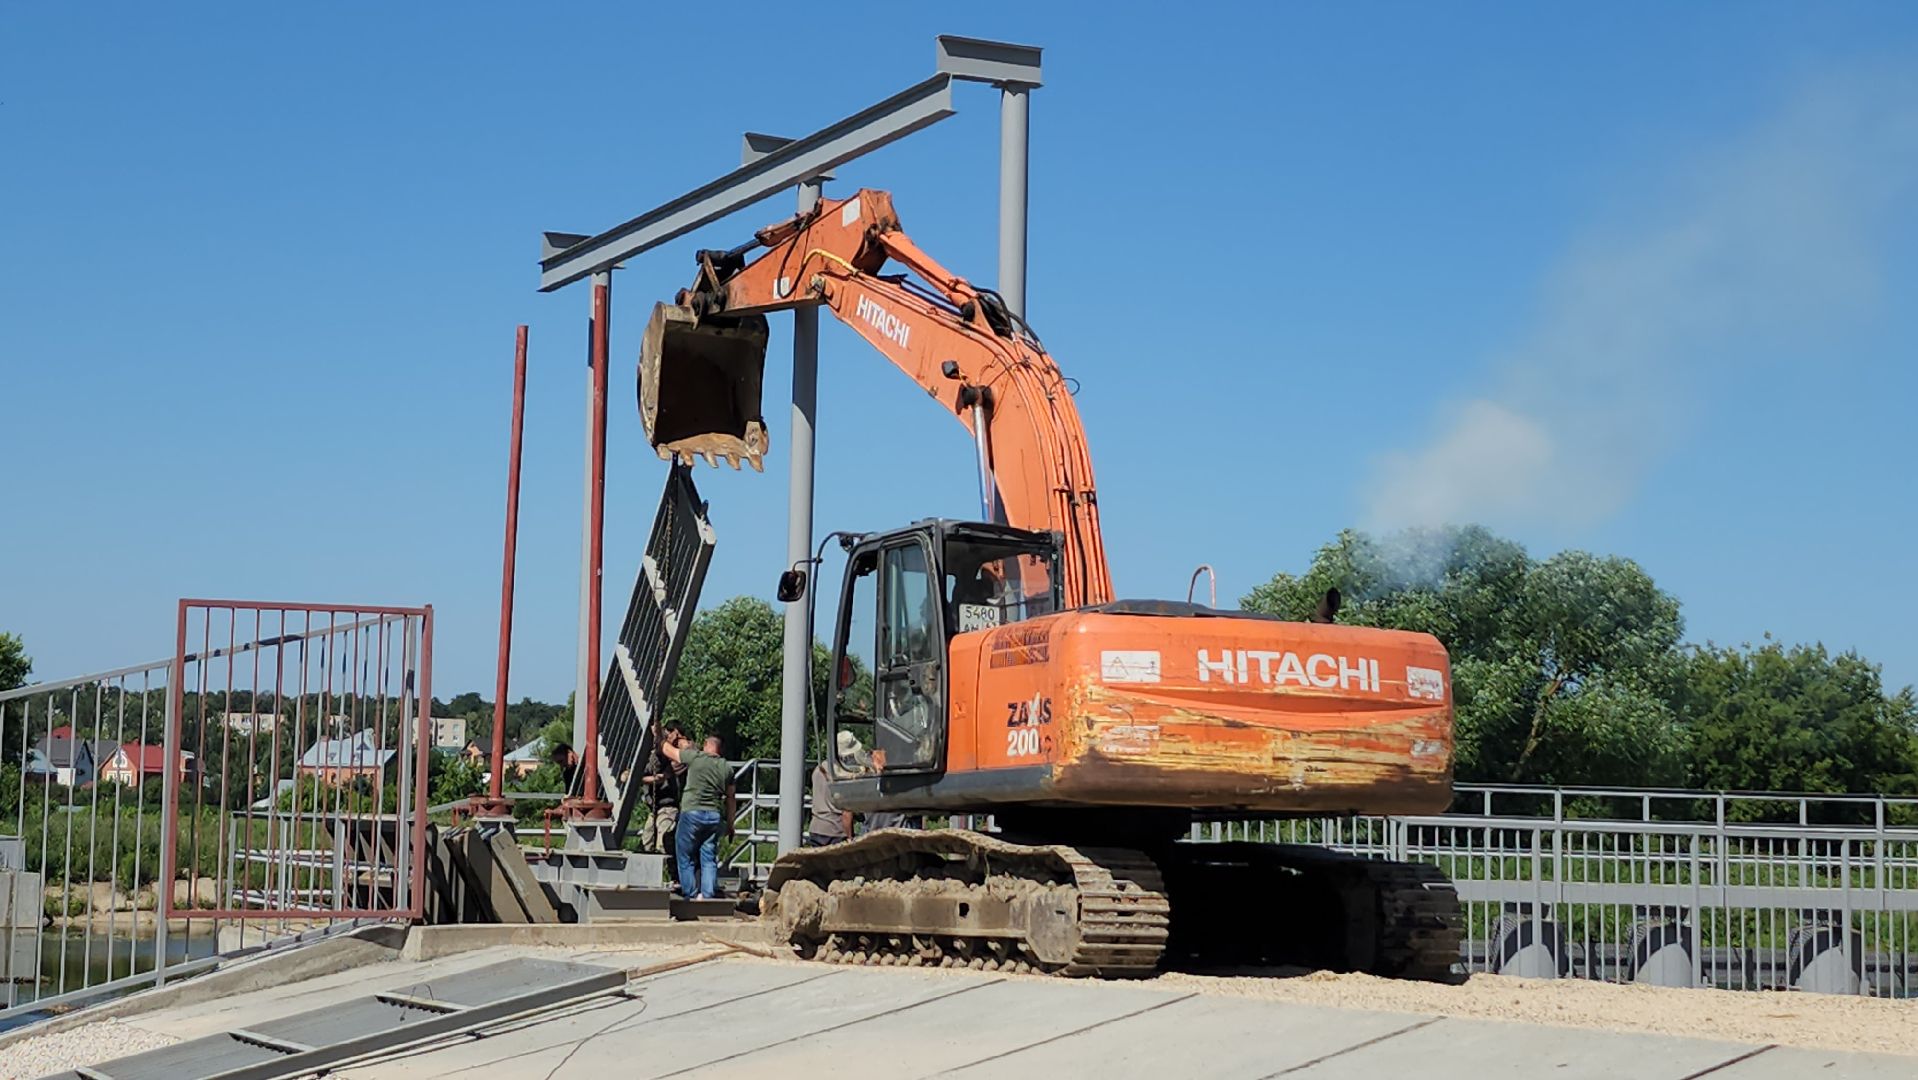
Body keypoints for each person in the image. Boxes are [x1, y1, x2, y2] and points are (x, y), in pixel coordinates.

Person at [657, 730, 735, 899]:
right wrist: (730, 824)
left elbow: (668, 750)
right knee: (709, 858)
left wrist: (658, 736)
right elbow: (731, 799)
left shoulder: (696, 757)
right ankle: (708, 895)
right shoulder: (727, 768)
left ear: (706, 745)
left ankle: (690, 894)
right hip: (714, 816)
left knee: (685, 856)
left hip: (692, 813)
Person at [638, 725, 687, 857]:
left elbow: (662, 776)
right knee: (646, 842)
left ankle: (668, 868)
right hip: (655, 808)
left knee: (663, 843)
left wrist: (639, 779)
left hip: (668, 806)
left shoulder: (677, 757)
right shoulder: (653, 757)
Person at [806, 737, 856, 847]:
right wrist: (850, 837)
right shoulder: (843, 774)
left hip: (816, 827)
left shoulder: (818, 769)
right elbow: (846, 813)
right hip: (835, 830)